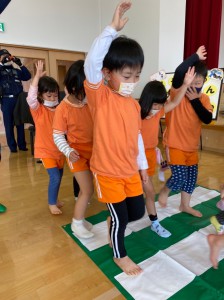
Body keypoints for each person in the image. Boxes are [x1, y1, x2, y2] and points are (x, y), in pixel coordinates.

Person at [84, 1, 149, 276]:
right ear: (108, 73)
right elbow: (92, 62)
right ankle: (119, 255)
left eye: (137, 75)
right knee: (120, 218)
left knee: (136, 213)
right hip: (108, 172)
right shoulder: (101, 96)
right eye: (126, 75)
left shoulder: (133, 105)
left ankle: (116, 224)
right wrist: (112, 29)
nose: (132, 81)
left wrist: (142, 168)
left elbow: (136, 139)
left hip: (129, 171)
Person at [139, 67, 195, 237]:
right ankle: (123, 221)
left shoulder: (157, 113)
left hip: (148, 156)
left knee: (148, 192)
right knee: (145, 192)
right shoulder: (135, 112)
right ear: (147, 101)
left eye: (160, 105)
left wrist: (185, 85)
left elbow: (175, 102)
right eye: (155, 105)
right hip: (134, 158)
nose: (157, 108)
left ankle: (154, 223)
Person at [158, 45, 213, 217]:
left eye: (199, 83)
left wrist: (196, 100)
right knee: (179, 177)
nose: (194, 87)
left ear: (204, 82)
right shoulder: (177, 93)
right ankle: (165, 190)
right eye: (192, 82)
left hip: (191, 147)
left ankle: (184, 205)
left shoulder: (203, 98)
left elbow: (207, 118)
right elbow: (179, 70)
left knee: (191, 179)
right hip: (175, 144)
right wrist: (195, 56)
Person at [53, 60, 94, 239]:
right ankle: (76, 223)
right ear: (71, 87)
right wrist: (68, 151)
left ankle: (80, 219)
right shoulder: (62, 108)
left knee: (92, 189)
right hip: (76, 155)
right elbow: (57, 135)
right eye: (81, 93)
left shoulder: (90, 103)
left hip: (95, 152)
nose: (84, 97)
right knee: (86, 190)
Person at [27, 61, 65, 215]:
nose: (52, 97)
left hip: (59, 151)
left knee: (59, 177)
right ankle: (51, 203)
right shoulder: (38, 110)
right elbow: (30, 97)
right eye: (48, 95)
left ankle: (55, 199)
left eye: (55, 94)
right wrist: (36, 77)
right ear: (40, 95)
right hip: (45, 151)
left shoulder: (60, 108)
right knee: (55, 177)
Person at [0, 49, 31, 153]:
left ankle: (22, 145)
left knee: (20, 123)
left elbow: (27, 76)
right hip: (6, 100)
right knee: (8, 124)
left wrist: (20, 64)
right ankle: (12, 147)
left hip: (18, 100)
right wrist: (1, 63)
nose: (7, 57)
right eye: (4, 56)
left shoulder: (16, 70)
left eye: (8, 55)